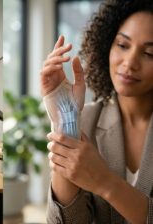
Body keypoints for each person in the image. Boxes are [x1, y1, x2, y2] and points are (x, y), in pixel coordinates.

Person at [40, 0, 153, 223]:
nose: (129, 63)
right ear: (107, 45)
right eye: (122, 45)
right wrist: (66, 120)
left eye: (149, 53)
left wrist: (104, 181)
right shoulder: (86, 120)